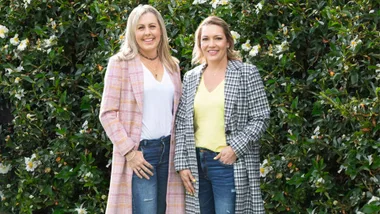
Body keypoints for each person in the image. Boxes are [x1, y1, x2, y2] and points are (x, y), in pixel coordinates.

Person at [174, 16, 270, 214]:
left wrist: (235, 148)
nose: (211, 44)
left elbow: (261, 117)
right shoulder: (191, 77)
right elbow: (182, 122)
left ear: (228, 42)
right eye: (205, 39)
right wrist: (182, 164)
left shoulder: (246, 73)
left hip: (229, 164)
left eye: (217, 38)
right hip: (197, 165)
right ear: (199, 44)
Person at [99, 4, 184, 214]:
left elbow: (179, 114)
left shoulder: (172, 66)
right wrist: (130, 152)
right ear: (132, 32)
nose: (148, 33)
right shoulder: (120, 63)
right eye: (141, 27)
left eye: (152, 26)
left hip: (170, 153)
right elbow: (108, 113)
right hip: (141, 154)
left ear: (161, 30)